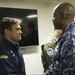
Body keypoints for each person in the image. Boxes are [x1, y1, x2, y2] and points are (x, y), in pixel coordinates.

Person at [43, 2, 75, 75]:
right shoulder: (65, 36)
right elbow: (57, 65)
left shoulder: (70, 39)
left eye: (54, 16)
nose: (52, 19)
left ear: (63, 17)